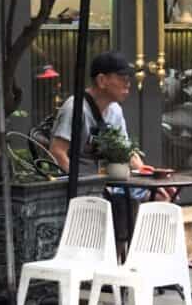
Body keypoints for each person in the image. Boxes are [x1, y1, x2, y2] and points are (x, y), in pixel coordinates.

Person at [49, 51, 171, 203]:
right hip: (85, 186)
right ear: (102, 80)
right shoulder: (75, 108)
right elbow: (57, 152)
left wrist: (149, 178)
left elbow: (127, 151)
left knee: (162, 196)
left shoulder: (115, 110)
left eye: (128, 78)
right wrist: (80, 185)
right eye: (122, 78)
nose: (128, 83)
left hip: (112, 181)